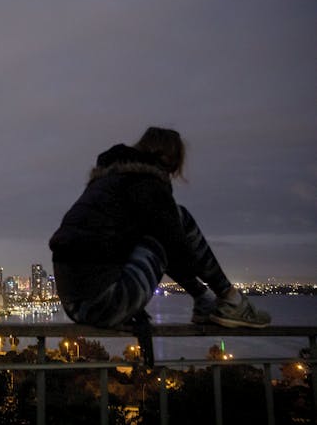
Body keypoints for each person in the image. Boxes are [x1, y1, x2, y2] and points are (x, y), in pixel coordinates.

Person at [49, 127, 270, 329]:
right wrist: (200, 283)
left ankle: (207, 300)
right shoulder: (147, 184)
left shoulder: (108, 181)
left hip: (75, 306)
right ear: (171, 160)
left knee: (163, 229)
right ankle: (231, 299)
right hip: (106, 304)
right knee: (178, 219)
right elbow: (178, 250)